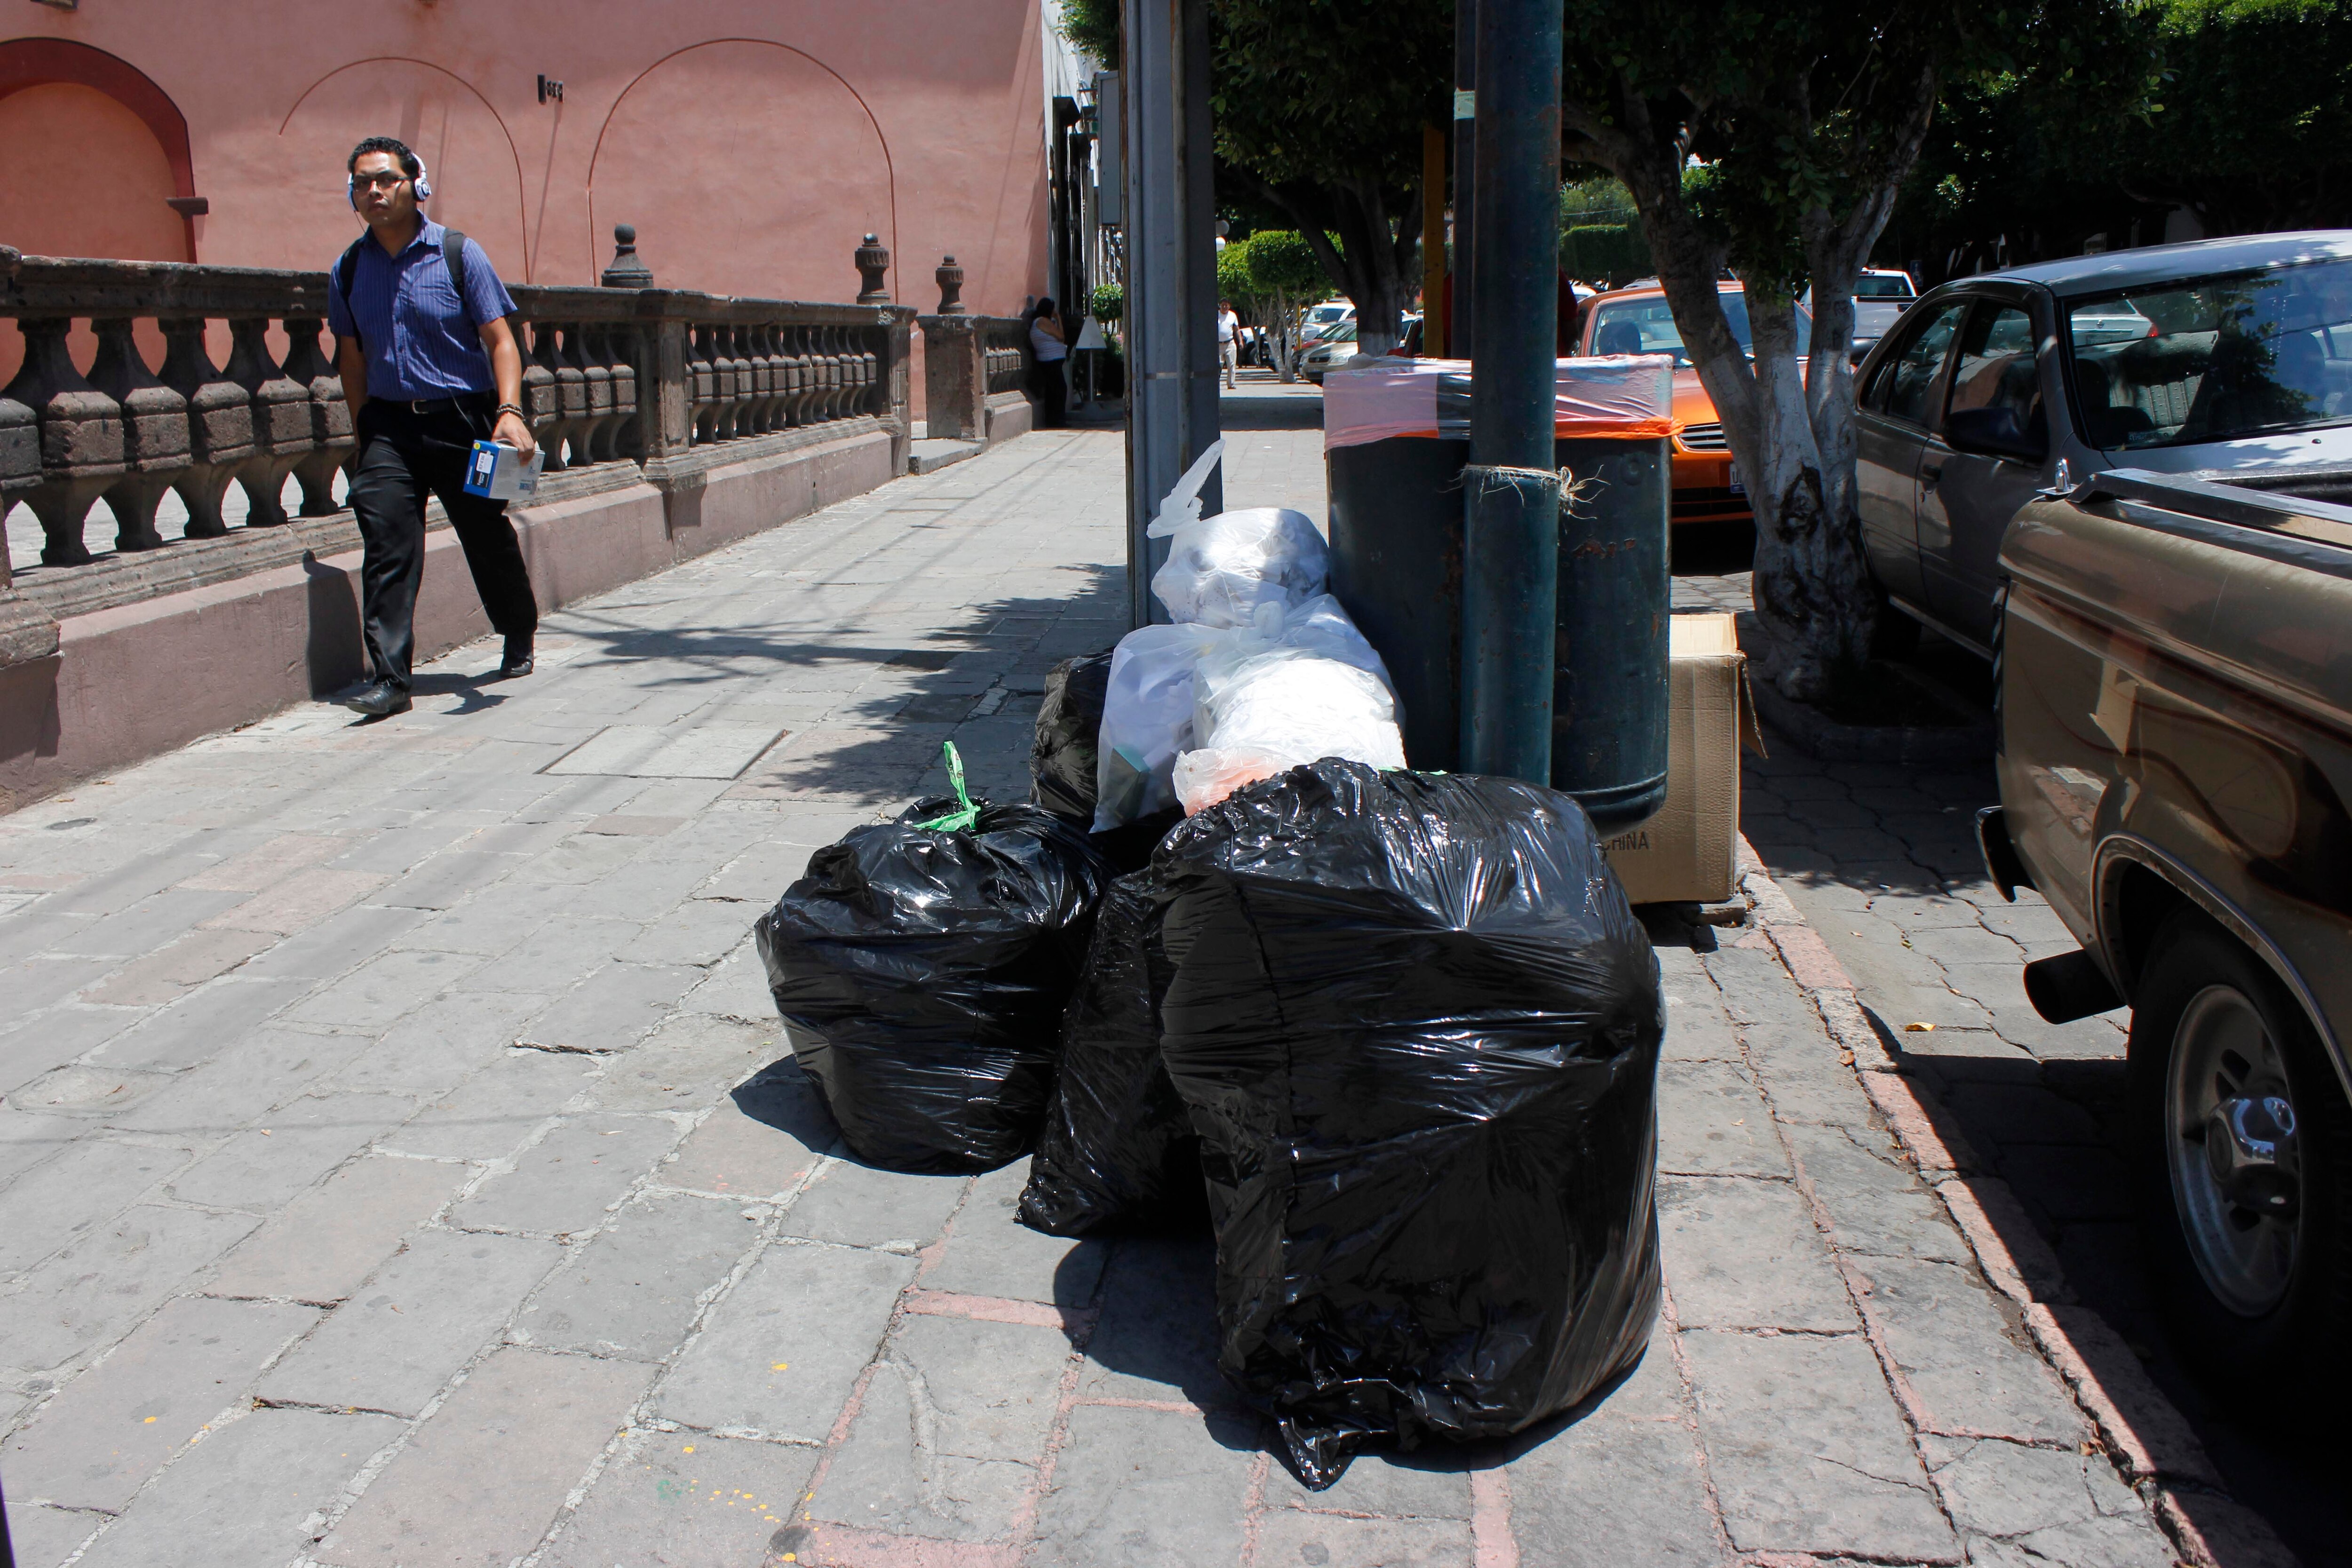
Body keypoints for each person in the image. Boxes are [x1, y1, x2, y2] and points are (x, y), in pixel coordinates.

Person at [326, 135, 540, 718]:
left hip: (463, 421)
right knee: (387, 544)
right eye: (363, 182)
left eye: (386, 179)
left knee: (484, 534)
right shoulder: (347, 269)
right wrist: (362, 430)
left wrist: (510, 411)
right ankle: (392, 678)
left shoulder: (457, 253)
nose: (374, 191)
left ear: (415, 184)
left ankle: (518, 628)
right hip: (390, 426)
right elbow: (351, 358)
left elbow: (501, 341)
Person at [1028, 298, 1069, 429]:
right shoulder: (1043, 321)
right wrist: (1059, 319)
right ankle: (1058, 420)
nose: (1054, 311)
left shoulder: (1041, 322)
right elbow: (1061, 336)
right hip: (1050, 360)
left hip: (1049, 360)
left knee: (1053, 390)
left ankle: (1054, 420)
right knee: (1060, 389)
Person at [1217, 300, 1241, 388]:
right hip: (1218, 345)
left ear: (1229, 306)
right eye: (1223, 305)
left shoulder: (1232, 315)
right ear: (1220, 306)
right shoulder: (1216, 315)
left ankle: (1231, 384)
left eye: (1226, 305)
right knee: (1218, 365)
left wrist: (1241, 341)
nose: (1224, 307)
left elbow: (1237, 329)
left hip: (1230, 343)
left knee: (1231, 364)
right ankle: (1216, 383)